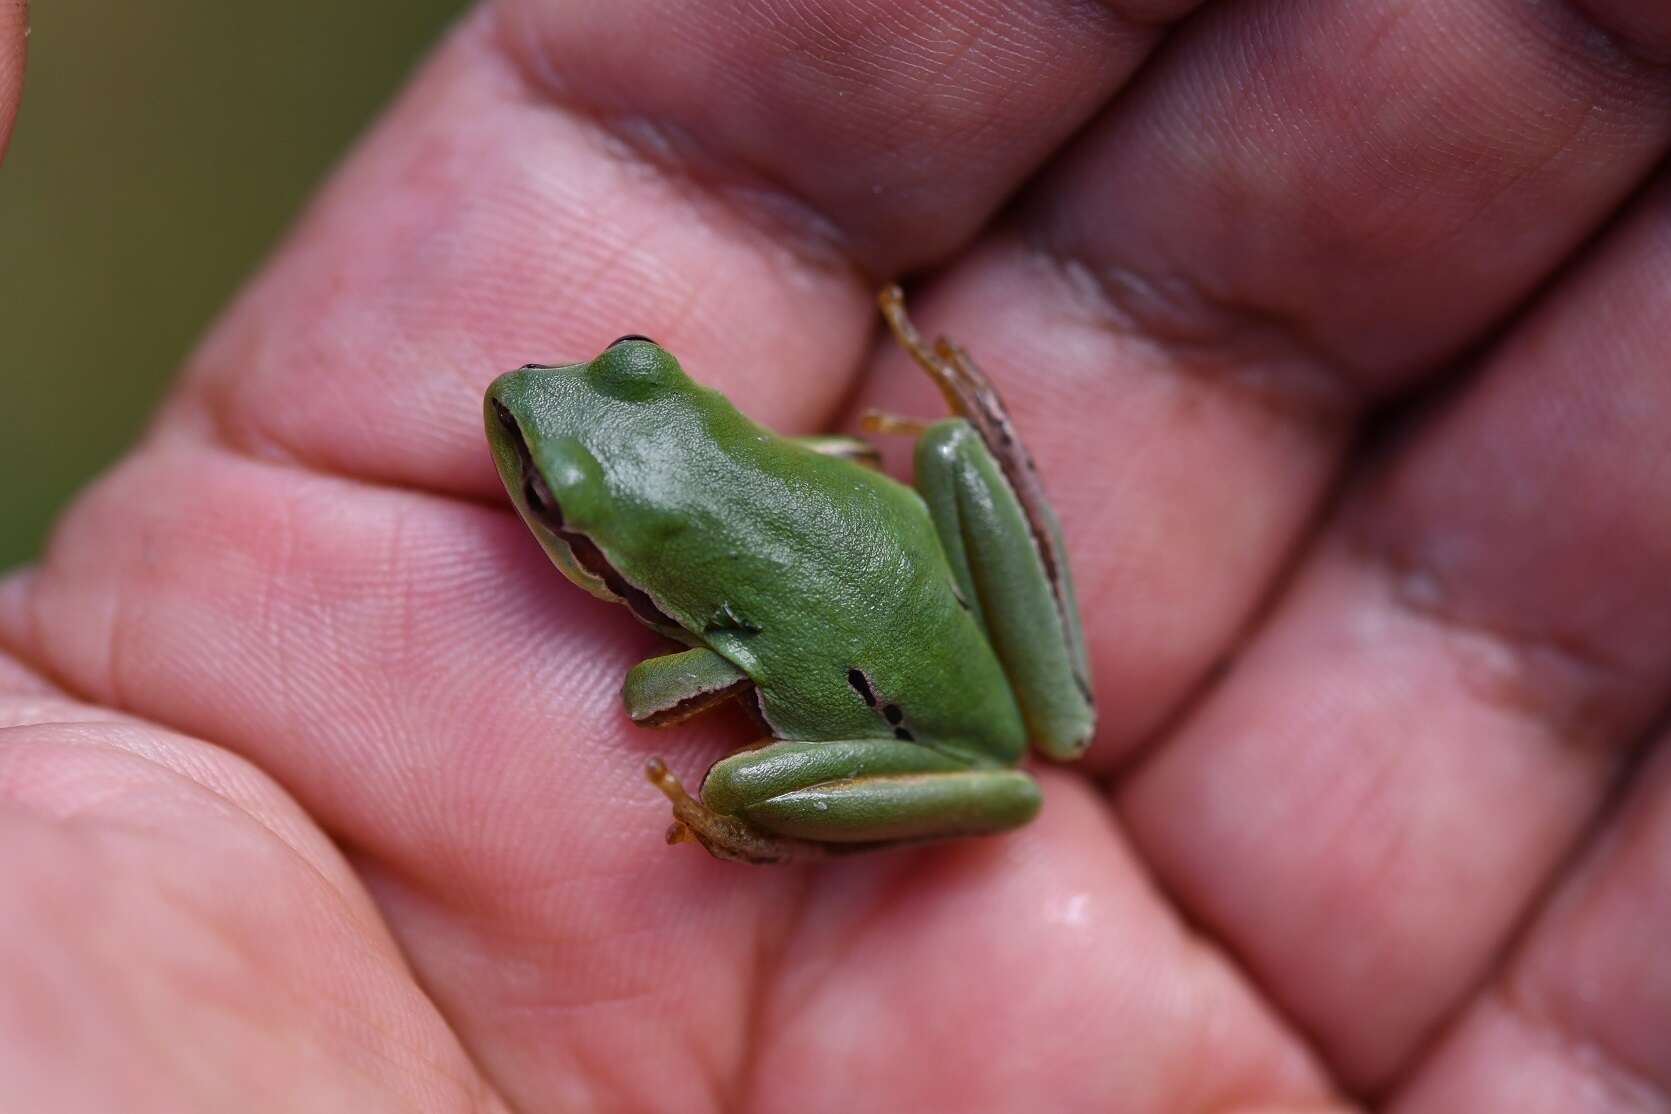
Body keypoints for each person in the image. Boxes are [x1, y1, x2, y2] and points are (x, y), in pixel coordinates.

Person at [1, 2, 1667, 1109]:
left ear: (597, 548)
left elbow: (672, 686)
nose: (544, 405)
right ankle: (961, 477)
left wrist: (714, 743)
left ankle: (774, 805)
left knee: (773, 763)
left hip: (920, 727)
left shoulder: (654, 597)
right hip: (918, 621)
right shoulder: (704, 435)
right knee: (936, 456)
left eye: (556, 478)